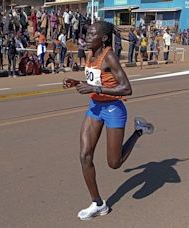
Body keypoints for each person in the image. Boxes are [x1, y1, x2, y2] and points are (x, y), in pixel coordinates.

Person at [62, 21, 154, 221]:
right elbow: (96, 82)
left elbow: (127, 88)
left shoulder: (109, 56)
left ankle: (139, 131)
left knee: (114, 163)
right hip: (95, 108)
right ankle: (98, 203)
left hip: (113, 109)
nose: (87, 37)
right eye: (86, 33)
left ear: (103, 38)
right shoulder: (90, 54)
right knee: (85, 155)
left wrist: (95, 89)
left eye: (91, 34)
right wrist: (77, 83)